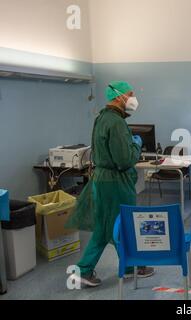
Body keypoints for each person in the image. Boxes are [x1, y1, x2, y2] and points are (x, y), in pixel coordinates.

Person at [67, 81, 154, 287]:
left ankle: (120, 266)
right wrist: (136, 144)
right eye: (130, 94)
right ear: (119, 96)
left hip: (103, 180)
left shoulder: (102, 118)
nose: (133, 98)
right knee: (120, 224)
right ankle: (97, 268)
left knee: (106, 226)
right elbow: (124, 160)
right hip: (115, 182)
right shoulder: (116, 122)